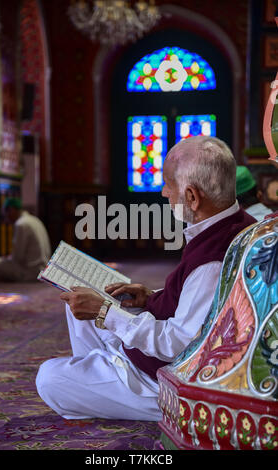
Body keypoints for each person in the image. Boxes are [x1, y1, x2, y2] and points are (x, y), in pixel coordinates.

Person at [36, 136, 256, 422]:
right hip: (156, 343)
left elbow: (179, 344)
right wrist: (151, 295)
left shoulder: (212, 260)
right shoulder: (236, 224)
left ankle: (112, 383)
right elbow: (201, 303)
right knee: (78, 302)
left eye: (168, 185)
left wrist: (106, 312)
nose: (164, 193)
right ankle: (102, 373)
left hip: (163, 379)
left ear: (192, 196)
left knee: (49, 378)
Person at [0, 198, 51, 282]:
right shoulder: (35, 220)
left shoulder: (21, 224)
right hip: (43, 270)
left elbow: (18, 257)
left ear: (11, 210)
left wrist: (6, 259)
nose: (6, 218)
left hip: (31, 273)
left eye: (6, 214)